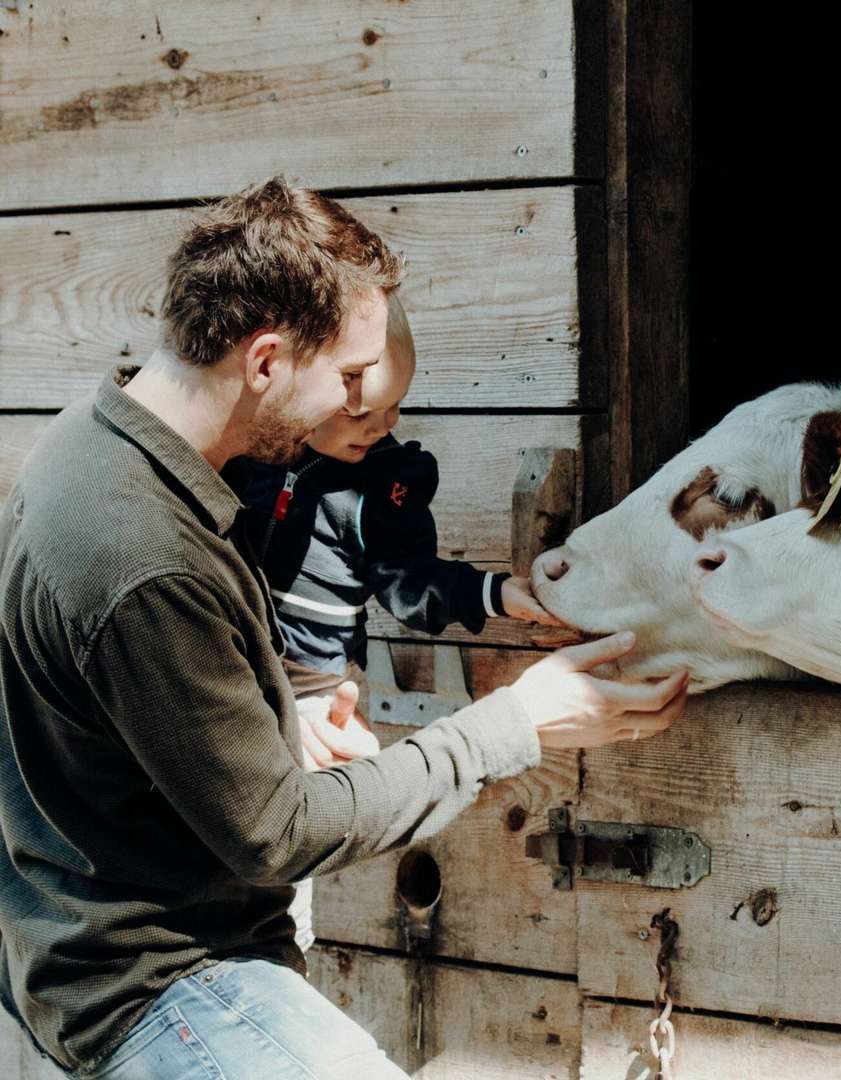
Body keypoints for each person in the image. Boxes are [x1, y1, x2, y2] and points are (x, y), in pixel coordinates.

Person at [0, 176, 688, 1078]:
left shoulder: (91, 444)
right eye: (353, 376)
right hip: (165, 991)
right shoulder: (144, 555)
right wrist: (517, 725)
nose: (360, 409)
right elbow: (278, 834)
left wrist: (271, 725)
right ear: (265, 361)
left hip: (88, 969)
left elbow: (106, 723)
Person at [240, 288, 561, 952]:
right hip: (232, 668)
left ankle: (281, 948)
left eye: (396, 408)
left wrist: (496, 593)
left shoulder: (386, 488)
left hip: (311, 684)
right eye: (363, 407)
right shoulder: (252, 456)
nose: (381, 424)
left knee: (286, 847)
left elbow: (412, 584)